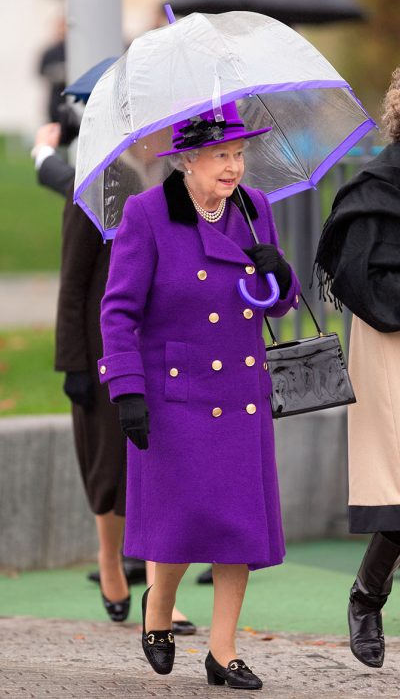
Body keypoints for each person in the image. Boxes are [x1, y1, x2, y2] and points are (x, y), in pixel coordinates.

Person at [98, 101, 300, 688]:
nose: (234, 167)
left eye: (239, 155)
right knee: (183, 522)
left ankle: (223, 649)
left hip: (239, 391)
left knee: (237, 527)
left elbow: (278, 303)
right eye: (221, 156)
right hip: (175, 396)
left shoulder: (255, 209)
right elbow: (119, 311)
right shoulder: (147, 214)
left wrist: (279, 274)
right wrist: (127, 390)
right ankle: (158, 607)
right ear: (188, 160)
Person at [31, 124, 196, 633]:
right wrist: (73, 363)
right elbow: (74, 284)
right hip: (106, 347)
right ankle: (109, 560)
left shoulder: (181, 179)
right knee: (109, 468)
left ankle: (159, 596)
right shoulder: (99, 184)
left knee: (157, 470)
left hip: (162, 347)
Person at [313, 55, 400, 669]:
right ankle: (367, 595)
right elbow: (355, 274)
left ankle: (367, 593)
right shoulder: (376, 186)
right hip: (392, 340)